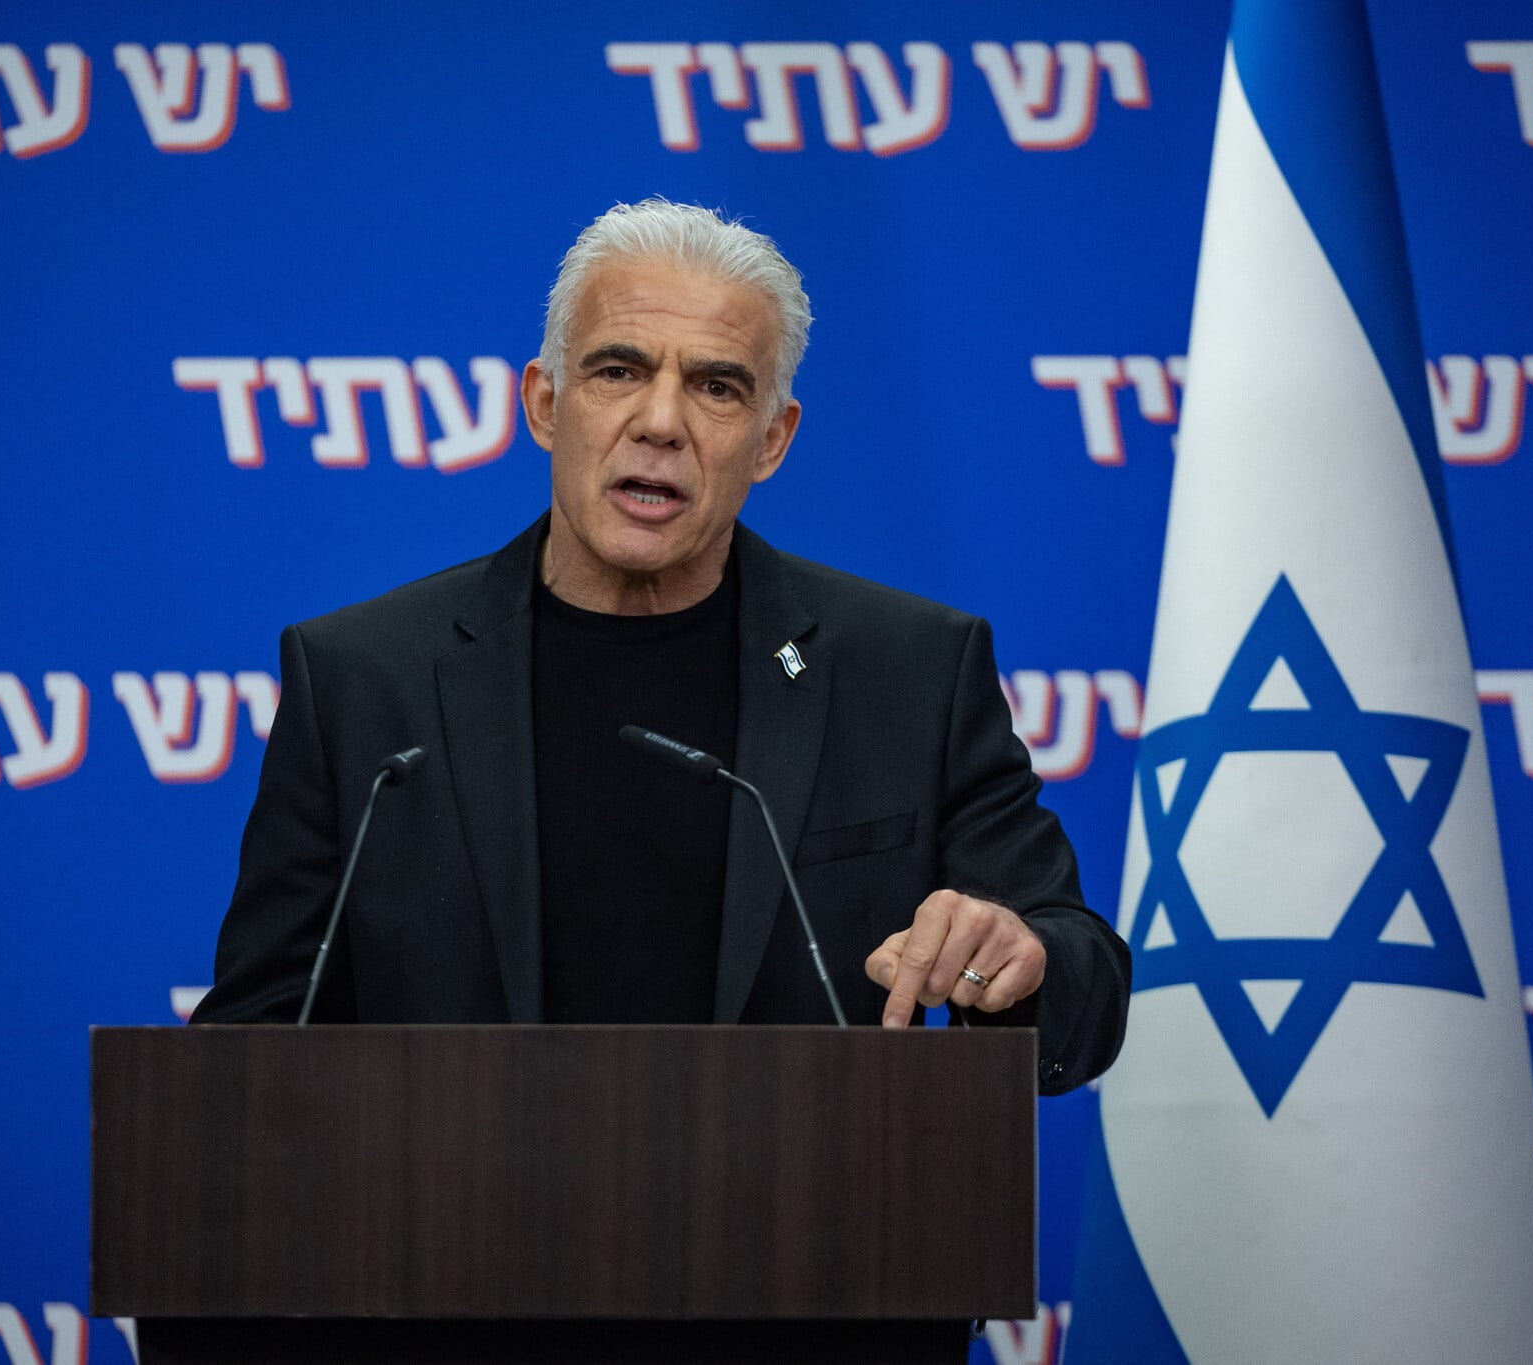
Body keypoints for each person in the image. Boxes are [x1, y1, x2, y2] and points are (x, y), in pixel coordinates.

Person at [191, 199, 1128, 1093]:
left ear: (772, 440)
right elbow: (251, 1042)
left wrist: (1020, 960)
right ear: (545, 403)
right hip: (449, 1202)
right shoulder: (362, 680)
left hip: (797, 1203)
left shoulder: (910, 672)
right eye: (618, 370)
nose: (661, 422)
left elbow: (1084, 990)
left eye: (718, 387)